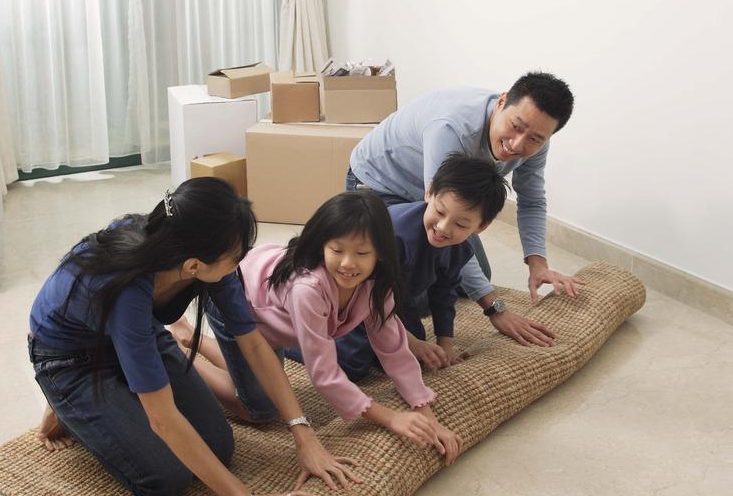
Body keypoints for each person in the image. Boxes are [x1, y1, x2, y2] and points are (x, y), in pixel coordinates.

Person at [28, 178, 352, 496]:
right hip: (71, 360)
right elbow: (164, 420)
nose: (239, 264)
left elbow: (254, 346)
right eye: (234, 258)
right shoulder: (128, 292)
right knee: (166, 478)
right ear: (194, 266)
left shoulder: (194, 251)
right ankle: (66, 404)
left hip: (139, 336)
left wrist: (304, 433)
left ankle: (120, 395)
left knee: (219, 446)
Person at [200, 190, 463, 466]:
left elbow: (394, 350)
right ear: (321, 246)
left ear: (380, 255)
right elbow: (324, 374)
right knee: (259, 408)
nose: (348, 264)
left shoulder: (377, 284)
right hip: (236, 304)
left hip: (275, 319)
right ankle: (187, 353)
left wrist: (426, 415)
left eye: (362, 253)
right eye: (337, 251)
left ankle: (206, 347)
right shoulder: (307, 289)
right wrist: (392, 417)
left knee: (256, 381)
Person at [347, 72, 581, 348]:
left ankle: (400, 288)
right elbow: (440, 209)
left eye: (535, 138)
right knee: (414, 273)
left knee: (471, 272)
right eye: (516, 126)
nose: (518, 144)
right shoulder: (451, 128)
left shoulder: (535, 139)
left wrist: (538, 264)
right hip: (379, 186)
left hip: (438, 204)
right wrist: (496, 309)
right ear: (501, 102)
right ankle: (360, 299)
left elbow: (531, 200)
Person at [296, 154, 509, 382]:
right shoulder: (395, 235)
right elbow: (366, 298)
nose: (443, 228)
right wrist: (410, 342)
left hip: (393, 298)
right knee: (353, 363)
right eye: (439, 211)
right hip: (347, 294)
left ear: (481, 227)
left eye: (461, 224)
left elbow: (444, 293)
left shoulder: (460, 249)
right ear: (429, 192)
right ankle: (295, 340)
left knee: (413, 350)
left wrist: (445, 342)